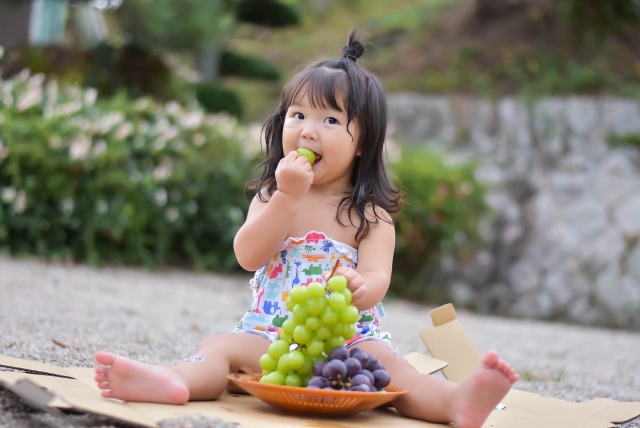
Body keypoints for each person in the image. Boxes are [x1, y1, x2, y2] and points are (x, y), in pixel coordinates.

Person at [94, 32, 519, 428]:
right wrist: (286, 198)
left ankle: (455, 402)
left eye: (330, 121)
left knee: (395, 372)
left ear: (362, 141)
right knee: (218, 348)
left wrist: (358, 286)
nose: (308, 130)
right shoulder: (270, 194)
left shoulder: (369, 214)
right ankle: (174, 383)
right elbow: (248, 256)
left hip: (350, 343)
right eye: (297, 115)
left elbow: (377, 280)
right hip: (270, 337)